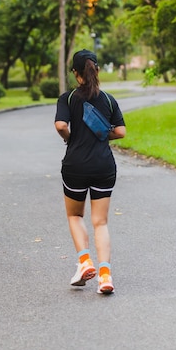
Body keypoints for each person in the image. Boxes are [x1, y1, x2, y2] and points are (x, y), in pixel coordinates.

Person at [54, 49, 126, 294]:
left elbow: (61, 125)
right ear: (96, 69)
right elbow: (121, 132)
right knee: (100, 222)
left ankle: (85, 261)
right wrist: (100, 134)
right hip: (103, 165)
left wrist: (71, 138)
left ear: (75, 73)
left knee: (75, 216)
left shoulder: (69, 98)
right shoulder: (107, 99)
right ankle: (105, 276)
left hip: (75, 165)